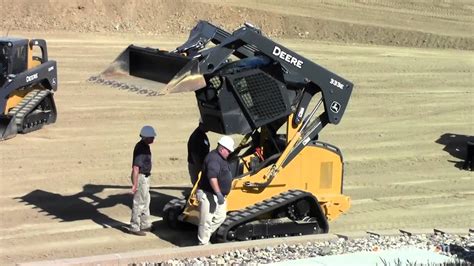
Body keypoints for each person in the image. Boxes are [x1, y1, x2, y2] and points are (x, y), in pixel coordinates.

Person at [196, 135, 234, 245]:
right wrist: (218, 193)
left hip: (217, 195)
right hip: (208, 193)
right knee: (206, 220)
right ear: (222, 148)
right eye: (228, 151)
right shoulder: (213, 159)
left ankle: (205, 236)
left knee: (220, 217)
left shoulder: (221, 158)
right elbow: (212, 177)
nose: (229, 153)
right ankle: (202, 244)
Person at [128, 125, 156, 236]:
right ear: (146, 137)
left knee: (146, 201)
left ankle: (145, 224)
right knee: (138, 203)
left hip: (144, 177)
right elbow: (136, 168)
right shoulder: (141, 149)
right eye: (152, 137)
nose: (153, 139)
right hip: (140, 177)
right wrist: (135, 184)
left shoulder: (144, 146)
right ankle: (134, 227)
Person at [187, 119, 210, 186]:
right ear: (201, 125)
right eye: (207, 126)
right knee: (198, 185)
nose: (209, 128)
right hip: (196, 165)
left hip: (200, 164)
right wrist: (200, 168)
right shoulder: (196, 137)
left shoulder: (202, 134)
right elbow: (194, 154)